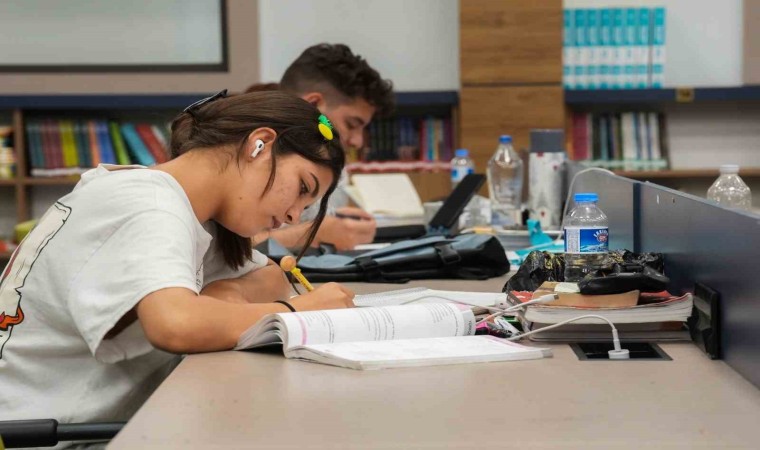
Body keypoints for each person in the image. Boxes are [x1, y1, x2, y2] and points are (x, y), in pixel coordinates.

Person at [0, 91, 355, 426]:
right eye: (302, 188)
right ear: (259, 144)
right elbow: (175, 325)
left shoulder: (189, 208)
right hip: (39, 435)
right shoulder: (151, 206)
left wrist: (227, 294)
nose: (294, 215)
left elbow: (273, 277)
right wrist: (298, 312)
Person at [245, 43, 395, 251]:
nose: (357, 142)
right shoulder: (250, 152)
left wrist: (341, 225)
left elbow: (322, 223)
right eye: (351, 124)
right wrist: (311, 234)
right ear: (314, 105)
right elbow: (215, 251)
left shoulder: (332, 162)